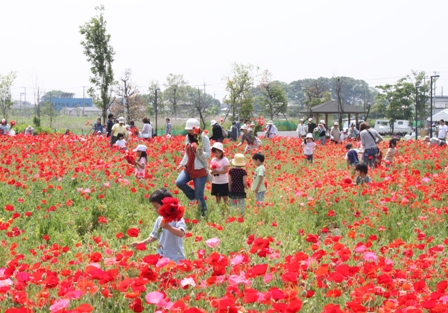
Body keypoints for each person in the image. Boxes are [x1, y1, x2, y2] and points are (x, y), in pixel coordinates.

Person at [130, 188, 186, 264]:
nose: (155, 210)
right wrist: (141, 243)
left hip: (175, 257)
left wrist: (168, 227)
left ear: (165, 205)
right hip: (161, 255)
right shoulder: (159, 219)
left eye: (156, 207)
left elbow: (181, 233)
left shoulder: (177, 218)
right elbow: (154, 236)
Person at [175, 118, 210, 216]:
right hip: (189, 167)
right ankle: (193, 197)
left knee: (200, 195)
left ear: (197, 129)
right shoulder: (188, 137)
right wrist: (181, 164)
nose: (190, 131)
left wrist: (201, 152)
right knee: (179, 182)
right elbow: (187, 153)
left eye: (191, 129)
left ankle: (204, 214)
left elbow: (209, 154)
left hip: (199, 169)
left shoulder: (204, 138)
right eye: (189, 130)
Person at [210, 142, 230, 214]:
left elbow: (225, 171)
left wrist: (216, 171)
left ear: (221, 152)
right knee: (217, 198)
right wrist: (212, 172)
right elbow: (212, 170)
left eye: (217, 153)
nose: (215, 154)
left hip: (223, 181)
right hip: (215, 181)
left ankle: (227, 211)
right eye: (214, 153)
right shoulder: (213, 160)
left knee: (225, 197)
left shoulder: (225, 160)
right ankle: (218, 212)